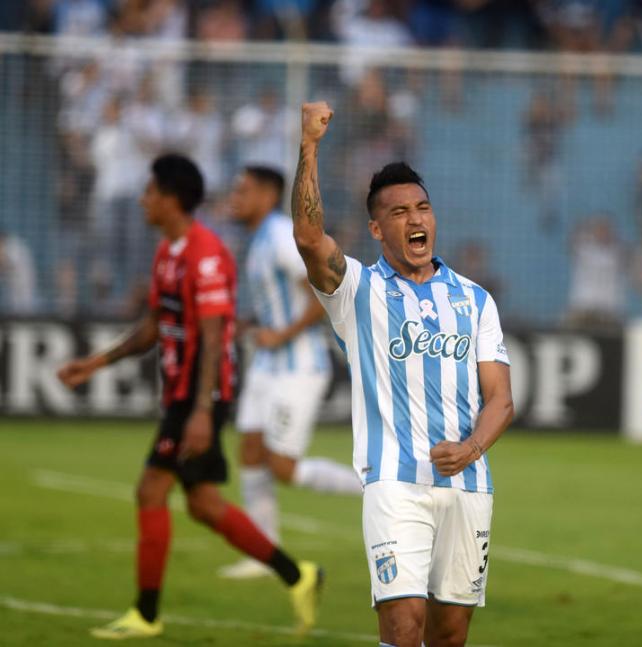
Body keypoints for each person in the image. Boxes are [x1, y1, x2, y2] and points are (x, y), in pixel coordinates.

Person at [56, 154, 322, 640]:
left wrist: (202, 410)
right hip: (185, 394)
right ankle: (297, 575)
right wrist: (96, 362)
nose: (143, 200)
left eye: (150, 192)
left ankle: (146, 614)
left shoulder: (204, 254)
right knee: (202, 503)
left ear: (172, 199)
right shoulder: (169, 252)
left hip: (199, 395)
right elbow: (156, 325)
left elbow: (216, 329)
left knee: (151, 490)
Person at [291, 102, 514, 647]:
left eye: (423, 208)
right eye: (398, 212)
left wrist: (472, 449)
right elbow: (307, 238)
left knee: (449, 633)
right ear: (375, 227)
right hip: (394, 485)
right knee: (402, 623)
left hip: (468, 485)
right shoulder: (358, 293)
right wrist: (310, 146)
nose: (415, 220)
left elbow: (500, 399)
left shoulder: (475, 299)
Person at [219, 165, 361, 580]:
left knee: (282, 467)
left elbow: (321, 294)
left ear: (266, 195)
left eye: (242, 191)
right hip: (268, 365)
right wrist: (254, 325)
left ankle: (377, 487)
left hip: (298, 366)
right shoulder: (259, 239)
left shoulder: (281, 236)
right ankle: (264, 553)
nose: (234, 198)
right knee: (248, 449)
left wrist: (281, 334)